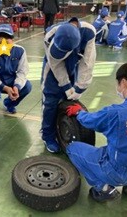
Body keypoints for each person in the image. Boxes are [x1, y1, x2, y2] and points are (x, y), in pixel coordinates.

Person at [65, 62, 127, 202]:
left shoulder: (116, 112)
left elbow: (91, 121)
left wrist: (78, 112)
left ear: (124, 83)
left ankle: (104, 189)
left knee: (73, 149)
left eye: (118, 84)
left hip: (117, 173)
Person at [40, 17, 97, 153]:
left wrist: (79, 88)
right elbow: (56, 65)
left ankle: (61, 126)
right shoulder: (50, 35)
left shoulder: (89, 32)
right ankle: (47, 135)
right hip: (52, 69)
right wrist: (66, 86)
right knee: (50, 102)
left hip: (74, 64)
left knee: (70, 99)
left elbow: (87, 63)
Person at [0, 23, 31, 115]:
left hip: (11, 80)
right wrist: (4, 87)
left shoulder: (20, 51)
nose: (3, 42)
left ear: (13, 40)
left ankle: (9, 103)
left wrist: (16, 86)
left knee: (27, 86)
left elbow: (22, 71)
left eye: (7, 38)